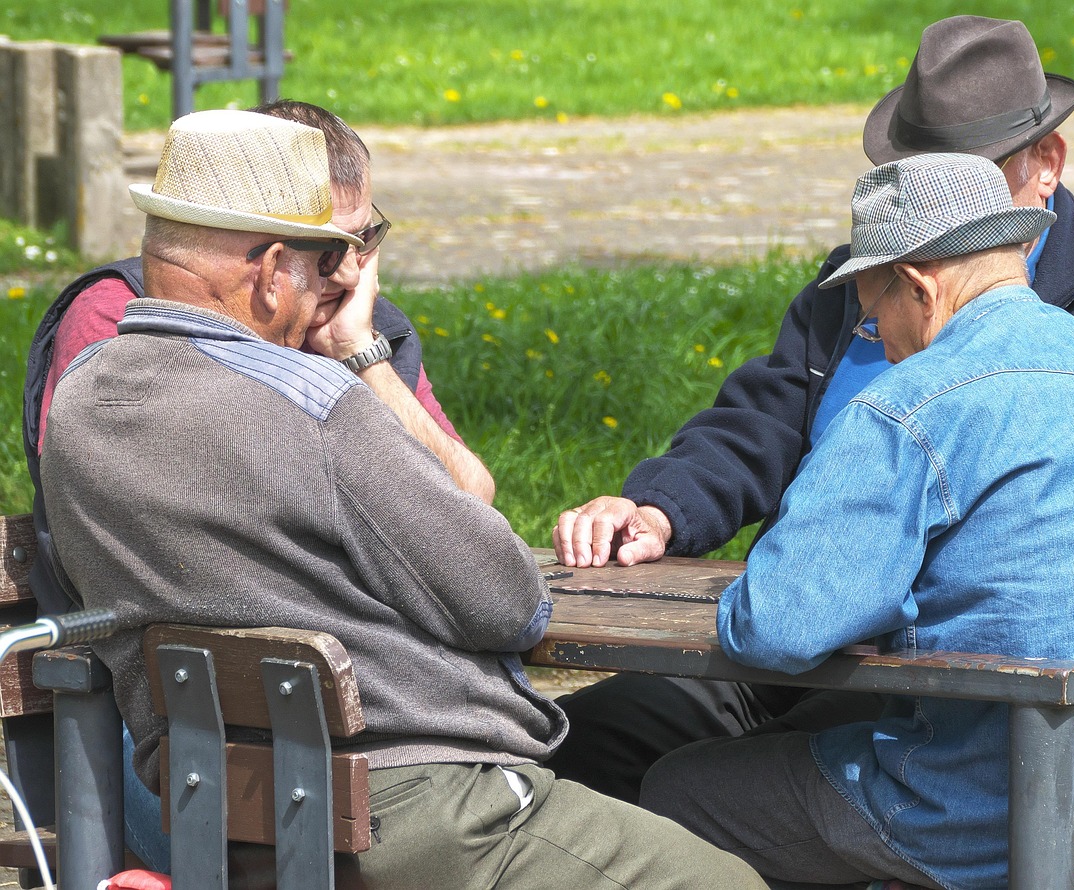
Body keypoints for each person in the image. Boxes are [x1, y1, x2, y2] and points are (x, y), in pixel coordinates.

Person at [39, 109, 766, 890]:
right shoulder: (313, 404)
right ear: (272, 266)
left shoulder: (80, 403)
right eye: (326, 262)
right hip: (416, 810)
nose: (342, 282)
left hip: (220, 815)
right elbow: (510, 599)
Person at [547, 14, 1074, 802]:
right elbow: (763, 421)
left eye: (969, 174)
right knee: (581, 742)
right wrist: (658, 508)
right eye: (917, 173)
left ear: (1046, 162)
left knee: (711, 790)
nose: (935, 203)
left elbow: (1072, 546)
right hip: (796, 627)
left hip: (937, 669)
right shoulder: (861, 280)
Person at [638, 152, 1074, 889]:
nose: (878, 337)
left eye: (872, 318)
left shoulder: (912, 407)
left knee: (679, 790)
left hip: (997, 811)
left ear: (918, 286)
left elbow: (779, 625)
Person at [20, 99, 495, 871]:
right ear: (265, 252)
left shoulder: (362, 334)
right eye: (322, 249)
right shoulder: (123, 323)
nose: (340, 274)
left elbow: (468, 514)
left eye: (360, 244)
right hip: (172, 737)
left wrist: (359, 359)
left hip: (357, 719)